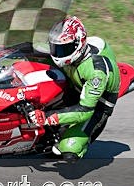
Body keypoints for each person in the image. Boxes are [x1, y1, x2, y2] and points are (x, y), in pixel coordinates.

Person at [28, 16, 120, 164]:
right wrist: (1, 50)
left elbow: (85, 111)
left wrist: (47, 117)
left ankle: (80, 144)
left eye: (63, 49)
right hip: (75, 84)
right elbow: (34, 48)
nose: (58, 53)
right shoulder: (67, 50)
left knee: (69, 150)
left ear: (79, 45)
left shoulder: (96, 73)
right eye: (55, 48)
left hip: (96, 105)